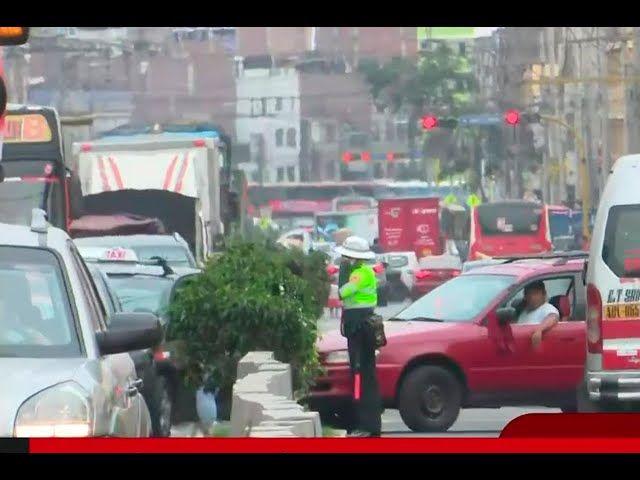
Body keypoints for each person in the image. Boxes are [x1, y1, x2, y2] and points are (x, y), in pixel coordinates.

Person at [335, 235, 382, 437]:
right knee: (363, 375)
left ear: (354, 258)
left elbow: (343, 292)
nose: (343, 261)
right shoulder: (365, 271)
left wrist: (343, 273)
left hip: (360, 328)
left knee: (361, 375)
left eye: (346, 258)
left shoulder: (359, 274)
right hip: (361, 325)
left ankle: (366, 426)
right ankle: (366, 425)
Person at [517, 280, 560, 349]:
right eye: (529, 294)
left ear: (544, 294)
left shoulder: (547, 308)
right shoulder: (524, 311)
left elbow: (553, 317)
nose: (532, 297)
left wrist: (539, 329)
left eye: (535, 293)